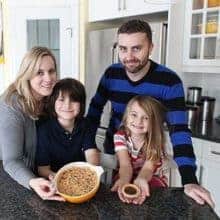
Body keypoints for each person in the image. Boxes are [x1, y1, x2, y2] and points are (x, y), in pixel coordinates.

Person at [86, 19, 214, 207]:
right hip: (116, 154)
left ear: (151, 47)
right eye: (122, 49)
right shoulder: (111, 74)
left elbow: (179, 131)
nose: (128, 56)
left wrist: (189, 179)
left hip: (150, 159)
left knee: (149, 205)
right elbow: (94, 112)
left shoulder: (169, 81)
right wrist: (88, 145)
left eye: (136, 48)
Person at [0, 46, 63, 201]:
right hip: (14, 175)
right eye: (39, 73)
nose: (48, 78)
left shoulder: (51, 96)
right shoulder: (11, 107)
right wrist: (32, 181)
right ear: (27, 75)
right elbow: (11, 161)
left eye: (51, 71)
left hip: (42, 172)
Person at [36, 78, 99, 179]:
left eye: (74, 100)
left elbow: (91, 152)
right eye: (61, 99)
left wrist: (91, 170)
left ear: (81, 104)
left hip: (82, 177)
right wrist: (65, 180)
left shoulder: (86, 124)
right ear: (53, 102)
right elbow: (43, 169)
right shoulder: (44, 130)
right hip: (55, 179)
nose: (67, 105)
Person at [111, 95, 168, 205]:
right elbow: (125, 165)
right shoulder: (120, 136)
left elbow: (148, 168)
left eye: (146, 118)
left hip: (150, 176)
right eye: (134, 115)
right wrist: (124, 180)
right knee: (119, 186)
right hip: (126, 173)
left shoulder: (155, 141)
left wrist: (141, 180)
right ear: (127, 116)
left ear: (154, 122)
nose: (139, 121)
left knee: (154, 197)